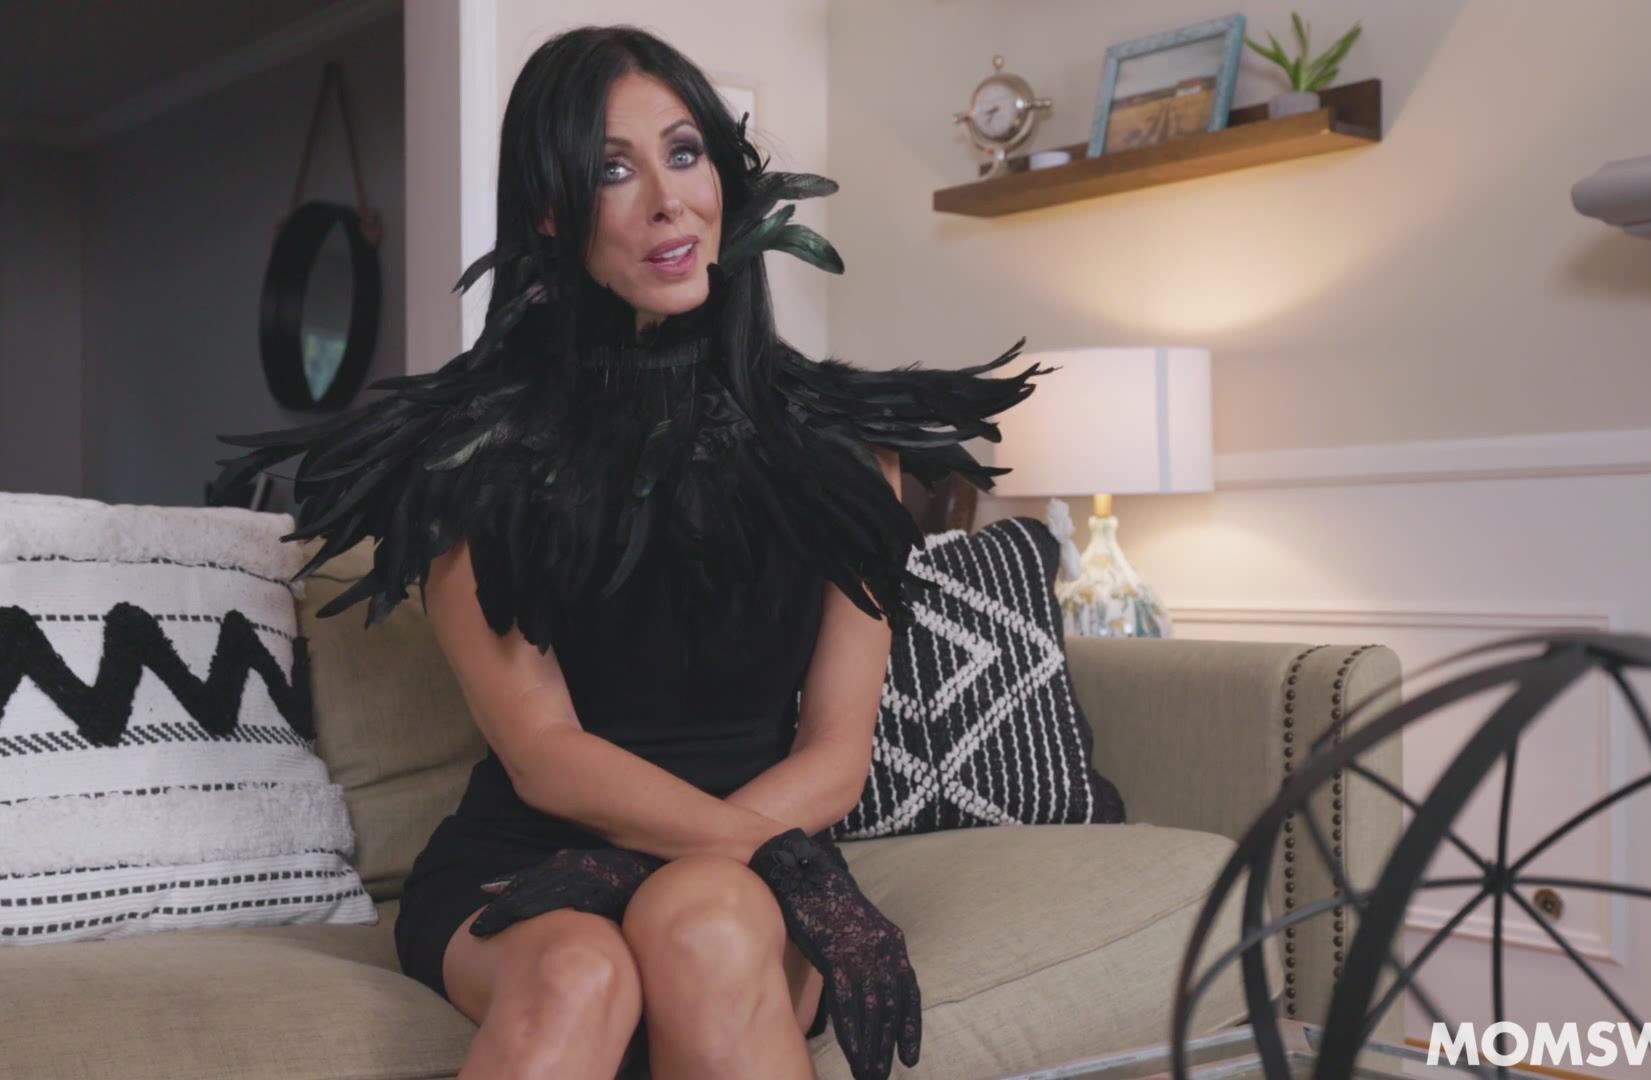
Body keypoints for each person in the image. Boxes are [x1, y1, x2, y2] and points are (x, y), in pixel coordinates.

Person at [210, 25, 1044, 1080]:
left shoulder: (845, 448)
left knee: (703, 921)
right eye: (613, 169)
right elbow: (544, 754)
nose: (666, 201)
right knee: (579, 976)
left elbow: (837, 753)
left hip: (749, 857)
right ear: (551, 212)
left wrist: (746, 863)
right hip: (534, 860)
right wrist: (705, 868)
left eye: (684, 153)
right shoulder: (472, 458)